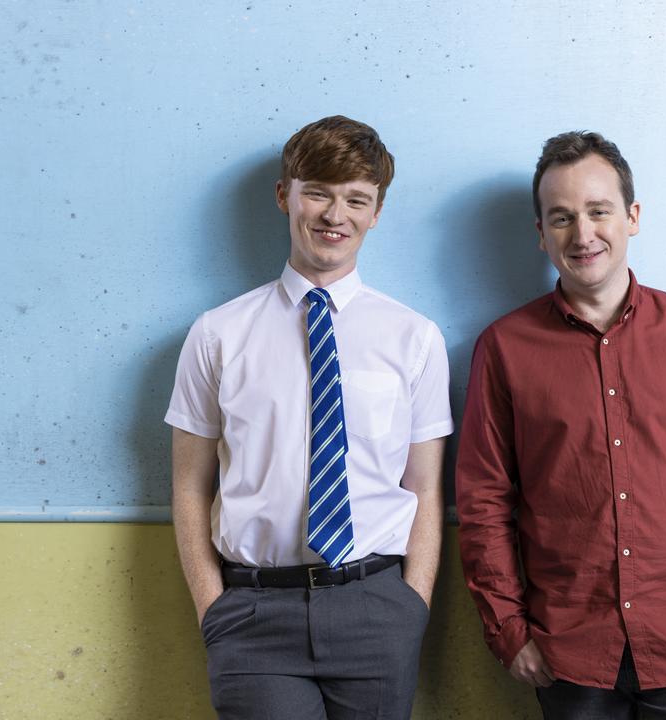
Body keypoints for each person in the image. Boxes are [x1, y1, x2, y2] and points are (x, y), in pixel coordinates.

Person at [456, 131, 666, 719]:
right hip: (568, 657)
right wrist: (508, 631)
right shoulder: (503, 349)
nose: (583, 234)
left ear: (631, 217)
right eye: (561, 217)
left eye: (599, 211)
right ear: (540, 234)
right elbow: (482, 501)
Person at [166, 115, 452, 719]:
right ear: (284, 196)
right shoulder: (216, 335)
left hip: (375, 608)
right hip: (252, 614)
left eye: (357, 199)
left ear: (376, 213)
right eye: (318, 192)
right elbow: (189, 487)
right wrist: (212, 607)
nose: (334, 215)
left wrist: (412, 606)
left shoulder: (415, 339)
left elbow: (424, 487)